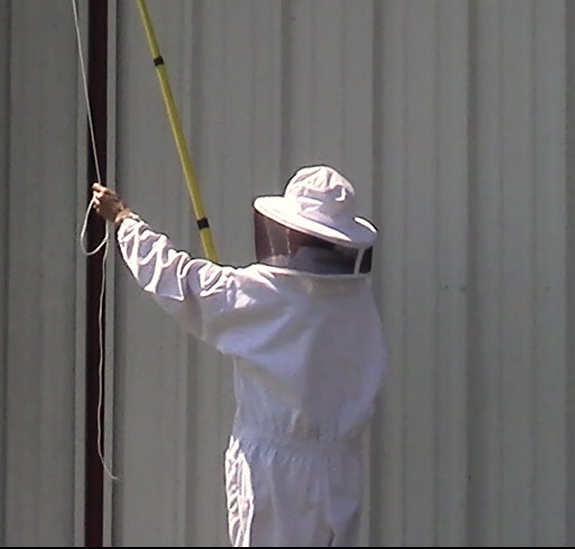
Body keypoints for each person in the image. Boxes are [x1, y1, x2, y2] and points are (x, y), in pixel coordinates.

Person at [91, 165, 387, 547]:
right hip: (341, 469)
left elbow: (177, 280)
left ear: (292, 232)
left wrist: (125, 221)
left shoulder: (261, 291)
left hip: (277, 472)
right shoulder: (356, 301)